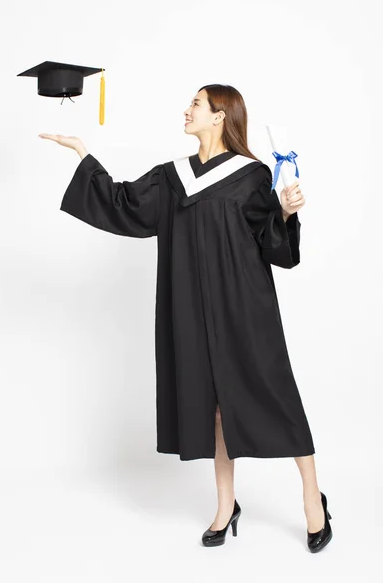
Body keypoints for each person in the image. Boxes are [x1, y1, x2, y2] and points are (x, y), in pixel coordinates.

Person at [39, 84, 333, 553]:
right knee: (214, 406)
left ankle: (311, 500)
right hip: (192, 307)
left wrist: (284, 209)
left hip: (244, 307)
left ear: (219, 117)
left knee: (276, 395)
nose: (187, 109)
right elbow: (123, 205)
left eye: (195, 104)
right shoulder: (172, 178)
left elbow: (274, 244)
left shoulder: (252, 175)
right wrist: (83, 156)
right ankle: (225, 505)